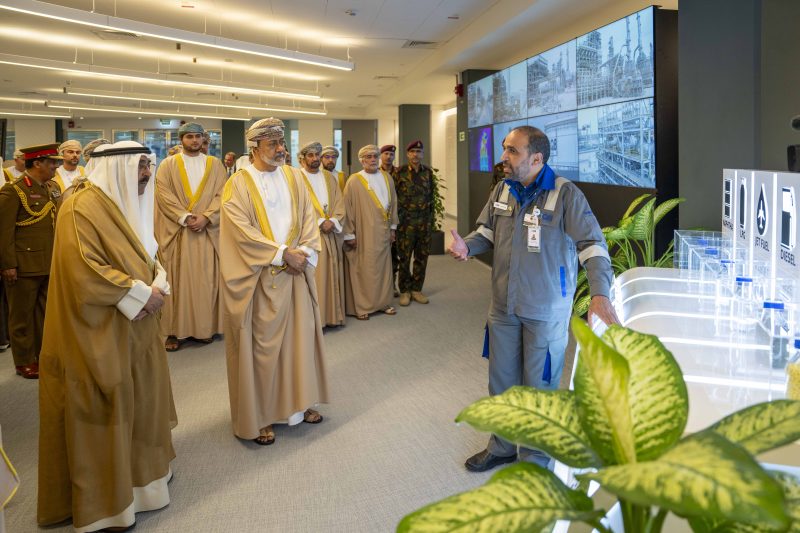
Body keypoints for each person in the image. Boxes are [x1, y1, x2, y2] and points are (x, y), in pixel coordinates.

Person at [448, 126, 619, 472]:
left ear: (537, 158)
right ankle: (502, 445)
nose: (503, 158)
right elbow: (486, 231)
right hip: (503, 307)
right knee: (502, 381)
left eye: (512, 151)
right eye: (505, 149)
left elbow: (593, 246)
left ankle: (536, 459)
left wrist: (600, 293)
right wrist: (468, 245)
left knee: (540, 387)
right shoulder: (502, 189)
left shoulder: (566, 195)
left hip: (545, 310)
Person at [37, 140, 176, 533]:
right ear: (117, 169)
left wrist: (159, 281)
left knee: (144, 400)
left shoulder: (124, 200)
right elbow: (84, 269)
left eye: (149, 166)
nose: (147, 176)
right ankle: (109, 506)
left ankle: (146, 482)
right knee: (106, 406)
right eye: (141, 168)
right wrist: (141, 295)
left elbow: (149, 250)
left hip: (139, 325)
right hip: (99, 330)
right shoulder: (80, 207)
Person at [220, 117, 328, 446]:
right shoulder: (238, 183)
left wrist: (305, 253)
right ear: (255, 147)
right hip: (261, 277)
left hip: (297, 275)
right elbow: (240, 232)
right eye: (273, 145)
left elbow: (309, 219)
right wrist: (282, 254)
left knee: (300, 341)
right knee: (263, 348)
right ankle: (262, 416)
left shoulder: (295, 177)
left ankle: (300, 403)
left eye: (283, 144)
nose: (281, 150)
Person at [155, 122, 226, 351]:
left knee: (206, 281)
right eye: (189, 137)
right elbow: (163, 195)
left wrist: (206, 217)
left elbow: (222, 194)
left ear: (204, 139)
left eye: (198, 137)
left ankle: (204, 329)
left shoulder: (215, 165)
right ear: (181, 139)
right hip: (179, 234)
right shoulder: (167, 165)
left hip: (206, 233)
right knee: (174, 283)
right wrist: (184, 217)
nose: (194, 141)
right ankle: (173, 332)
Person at [0, 143, 62, 379]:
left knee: (45, 315)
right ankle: (24, 361)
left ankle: (42, 355)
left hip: (48, 261)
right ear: (37, 163)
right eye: (52, 162)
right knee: (21, 317)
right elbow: (3, 232)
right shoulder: (13, 191)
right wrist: (7, 264)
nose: (56, 166)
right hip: (23, 265)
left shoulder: (52, 188)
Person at [342, 144, 398, 320]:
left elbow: (394, 203)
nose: (372, 160)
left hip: (383, 232)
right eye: (368, 157)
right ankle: (363, 306)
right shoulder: (354, 180)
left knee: (384, 268)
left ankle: (383, 302)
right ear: (362, 160)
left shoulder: (387, 177)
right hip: (364, 233)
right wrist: (349, 234)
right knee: (365, 269)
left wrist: (393, 228)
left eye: (375, 156)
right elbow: (347, 209)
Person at [297, 141, 346, 327]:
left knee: (330, 275)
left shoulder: (329, 177)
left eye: (317, 155)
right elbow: (296, 207)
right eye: (310, 155)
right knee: (314, 278)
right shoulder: (296, 178)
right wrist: (319, 222)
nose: (315, 159)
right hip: (308, 237)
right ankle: (314, 322)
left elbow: (339, 203)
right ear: (302, 159)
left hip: (330, 234)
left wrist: (332, 221)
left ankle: (330, 317)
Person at [395, 140, 435, 306]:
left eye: (419, 151)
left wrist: (431, 222)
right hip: (406, 223)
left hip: (424, 223)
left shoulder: (428, 173)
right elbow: (394, 198)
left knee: (422, 257)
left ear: (422, 154)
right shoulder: (400, 172)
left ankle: (417, 289)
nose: (415, 154)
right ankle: (405, 291)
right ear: (407, 154)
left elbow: (431, 197)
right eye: (412, 152)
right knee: (404, 258)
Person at [380, 144, 400, 296]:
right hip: (380, 221)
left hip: (400, 220)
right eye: (386, 153)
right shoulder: (375, 173)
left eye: (391, 154)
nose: (389, 156)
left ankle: (392, 285)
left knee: (396, 254)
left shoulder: (401, 173)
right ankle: (382, 286)